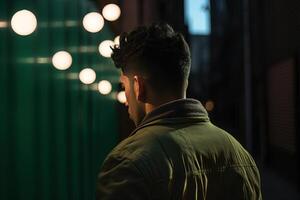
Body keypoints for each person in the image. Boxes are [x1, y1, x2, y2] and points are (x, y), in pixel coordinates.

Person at [96, 23, 262, 200]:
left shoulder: (127, 164)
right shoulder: (240, 155)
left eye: (124, 86)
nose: (125, 99)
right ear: (185, 82)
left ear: (138, 87)